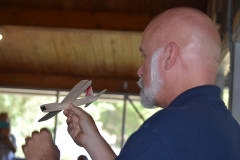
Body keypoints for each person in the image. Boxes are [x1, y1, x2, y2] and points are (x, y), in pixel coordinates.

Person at [22, 7, 240, 160]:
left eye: (144, 56)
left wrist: (43, 158)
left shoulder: (166, 129)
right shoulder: (228, 129)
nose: (139, 70)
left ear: (168, 56)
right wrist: (94, 142)